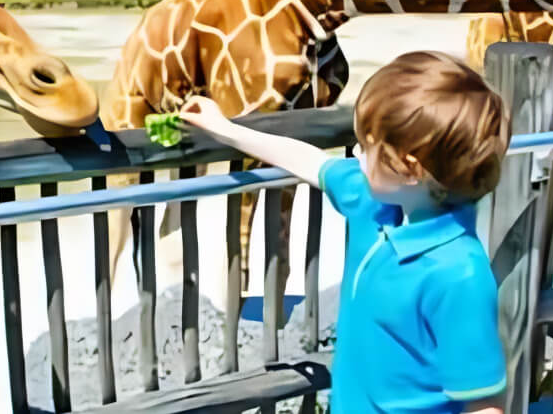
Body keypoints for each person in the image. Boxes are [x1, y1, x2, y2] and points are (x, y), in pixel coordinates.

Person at [180, 50, 509, 414]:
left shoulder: (459, 274)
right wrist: (226, 128)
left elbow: (484, 404)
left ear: (410, 168)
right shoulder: (375, 202)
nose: (357, 154)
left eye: (368, 148)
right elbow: (311, 161)